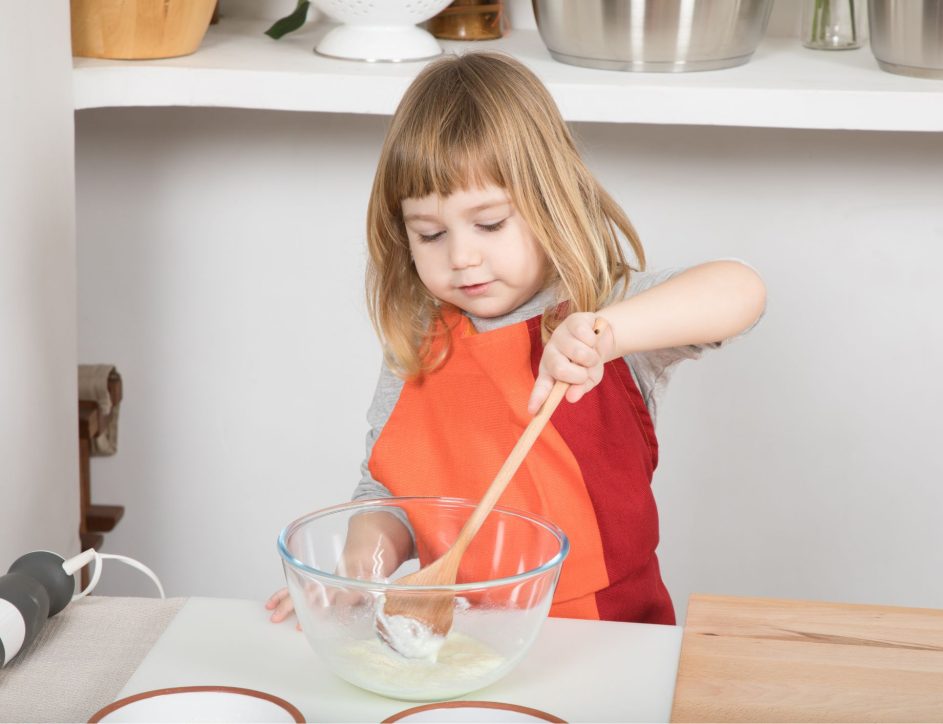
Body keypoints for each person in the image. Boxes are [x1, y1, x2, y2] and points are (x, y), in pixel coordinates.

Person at [267, 51, 765, 627]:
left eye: (490, 224)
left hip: (608, 634)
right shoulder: (417, 341)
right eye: (429, 233)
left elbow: (741, 291)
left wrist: (606, 333)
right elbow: (389, 494)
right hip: (462, 633)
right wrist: (357, 570)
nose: (461, 256)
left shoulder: (604, 309)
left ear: (550, 200)